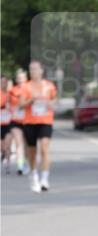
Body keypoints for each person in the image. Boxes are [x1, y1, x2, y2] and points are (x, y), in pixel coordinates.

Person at [22, 60, 57, 193]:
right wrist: (31, 100)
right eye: (31, 69)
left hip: (45, 120)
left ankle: (45, 179)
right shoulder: (26, 86)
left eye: (35, 69)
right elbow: (21, 104)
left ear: (41, 70)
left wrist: (50, 103)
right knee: (32, 152)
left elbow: (54, 99)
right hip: (30, 121)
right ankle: (34, 175)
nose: (33, 72)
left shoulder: (49, 85)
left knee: (44, 148)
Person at [9, 68, 29, 175]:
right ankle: (20, 166)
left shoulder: (30, 89)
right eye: (19, 78)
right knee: (18, 143)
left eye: (22, 78)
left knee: (26, 144)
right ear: (16, 79)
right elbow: (8, 104)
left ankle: (25, 162)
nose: (20, 80)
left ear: (26, 79)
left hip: (28, 121)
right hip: (15, 120)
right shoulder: (12, 90)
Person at [1, 75, 12, 168]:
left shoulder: (10, 94)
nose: (3, 84)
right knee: (2, 146)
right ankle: (3, 153)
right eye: (1, 82)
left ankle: (8, 165)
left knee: (7, 145)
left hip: (9, 123)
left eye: (5, 82)